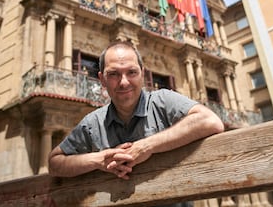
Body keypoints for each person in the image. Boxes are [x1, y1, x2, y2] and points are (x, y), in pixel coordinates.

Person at [48, 41, 224, 207]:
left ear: (142, 73)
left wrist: (147, 146)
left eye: (131, 72)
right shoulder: (92, 123)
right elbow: (55, 163)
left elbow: (211, 121)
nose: (124, 82)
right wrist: (99, 160)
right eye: (114, 74)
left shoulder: (163, 100)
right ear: (102, 79)